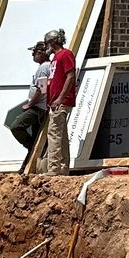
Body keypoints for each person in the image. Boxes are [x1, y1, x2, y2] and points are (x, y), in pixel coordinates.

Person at [39, 28, 78, 174]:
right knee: (61, 137)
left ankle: (54, 168)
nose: (46, 46)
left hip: (61, 102)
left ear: (52, 41)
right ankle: (63, 168)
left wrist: (60, 98)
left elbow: (70, 76)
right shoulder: (55, 58)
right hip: (55, 101)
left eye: (47, 42)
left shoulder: (65, 54)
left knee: (54, 133)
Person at [3, 42, 51, 154]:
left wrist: (30, 104)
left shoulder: (44, 67)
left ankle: (32, 148)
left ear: (40, 53)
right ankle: (30, 160)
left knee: (16, 127)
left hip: (38, 108)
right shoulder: (46, 66)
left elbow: (42, 90)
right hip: (39, 107)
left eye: (34, 53)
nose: (32, 55)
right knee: (36, 136)